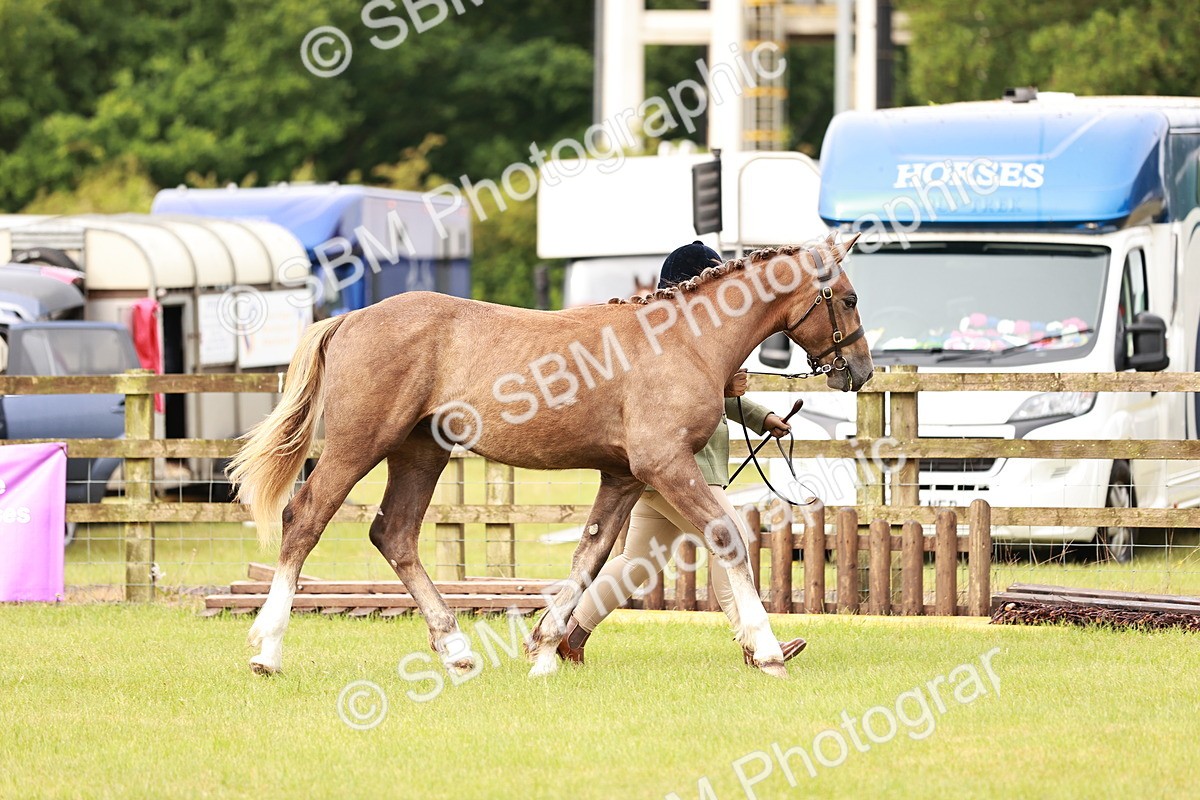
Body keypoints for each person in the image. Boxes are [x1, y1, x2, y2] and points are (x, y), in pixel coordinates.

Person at [558, 241, 806, 666]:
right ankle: (755, 642)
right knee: (728, 540)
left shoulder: (689, 337)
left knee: (636, 561)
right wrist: (728, 389)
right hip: (682, 469)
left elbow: (711, 395)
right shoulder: (667, 338)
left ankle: (571, 635)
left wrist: (760, 417)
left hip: (662, 471)